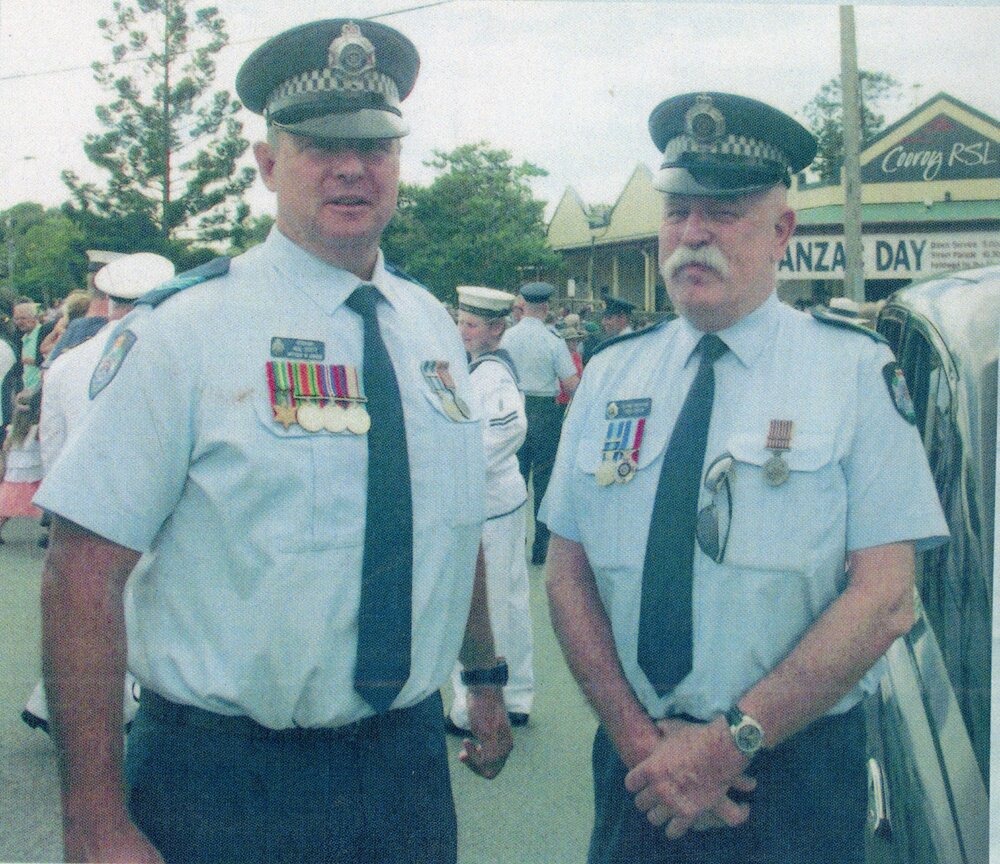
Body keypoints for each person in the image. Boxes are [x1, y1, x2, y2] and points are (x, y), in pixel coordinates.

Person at [36, 18, 510, 864]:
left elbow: (450, 522)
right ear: (266, 164)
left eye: (375, 145)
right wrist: (95, 820)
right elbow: (81, 570)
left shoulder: (432, 328)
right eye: (321, 144)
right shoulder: (189, 330)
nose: (352, 167)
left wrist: (483, 679)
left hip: (404, 772)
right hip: (223, 781)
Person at [540, 91, 949, 864]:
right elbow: (568, 573)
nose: (693, 235)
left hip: (788, 776)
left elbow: (887, 594)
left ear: (782, 231)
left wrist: (729, 745)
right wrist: (640, 745)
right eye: (678, 211)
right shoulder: (610, 374)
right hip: (642, 773)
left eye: (722, 212)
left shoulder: (854, 371)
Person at [22, 253, 175, 735]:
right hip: (157, 508)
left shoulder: (68, 364)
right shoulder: (173, 358)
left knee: (85, 616)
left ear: (108, 303)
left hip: (86, 508)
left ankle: (59, 704)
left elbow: (53, 443)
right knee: (148, 610)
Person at [447, 285, 533, 734]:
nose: (462, 331)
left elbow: (507, 429)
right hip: (501, 503)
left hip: (488, 506)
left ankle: (470, 708)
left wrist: (455, 468)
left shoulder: (490, 376)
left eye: (472, 325)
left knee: (485, 607)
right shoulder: (480, 370)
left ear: (497, 329)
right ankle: (516, 695)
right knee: (510, 602)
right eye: (461, 322)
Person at [500, 281, 580, 565]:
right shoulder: (553, 340)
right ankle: (541, 549)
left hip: (515, 408)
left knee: (514, 478)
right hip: (546, 413)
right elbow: (571, 384)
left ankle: (512, 544)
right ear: (546, 308)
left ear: (524, 307)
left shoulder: (508, 337)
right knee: (545, 481)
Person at [0, 386, 43, 543]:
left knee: (6, 509)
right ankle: (50, 534)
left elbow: (5, 451)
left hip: (14, 477)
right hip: (34, 476)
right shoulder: (37, 431)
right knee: (47, 506)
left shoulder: (11, 432)